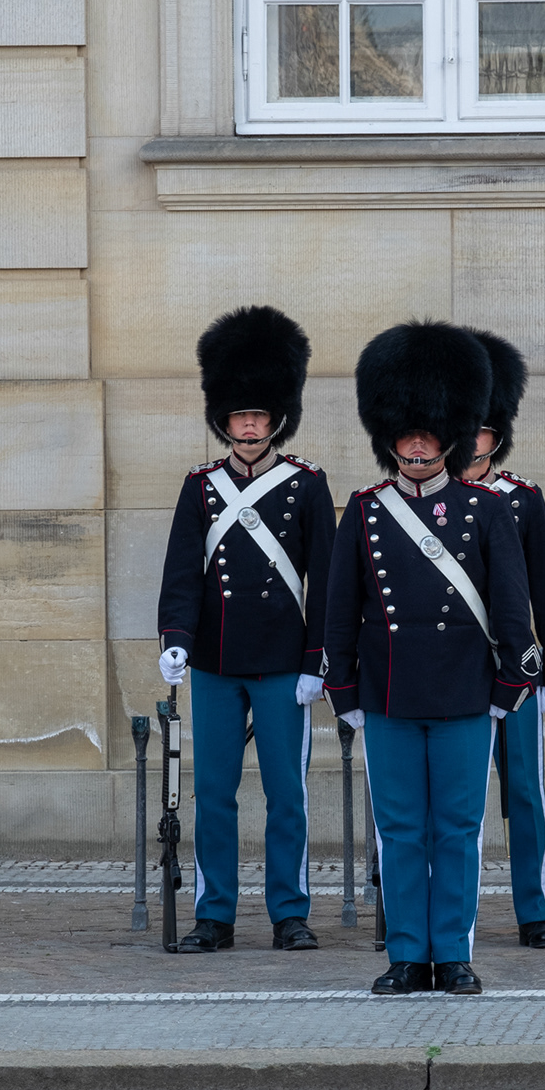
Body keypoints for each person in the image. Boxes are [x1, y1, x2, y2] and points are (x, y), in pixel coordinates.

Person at [325, 321, 541, 995]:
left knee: (455, 829)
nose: (416, 445)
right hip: (389, 696)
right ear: (389, 436)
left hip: (462, 696)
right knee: (400, 831)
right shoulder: (364, 511)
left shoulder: (483, 510)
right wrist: (345, 691)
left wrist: (510, 685)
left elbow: (511, 607)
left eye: (427, 433)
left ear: (449, 433)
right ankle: (406, 954)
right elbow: (340, 610)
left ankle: (452, 951)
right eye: (406, 434)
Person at [155, 306, 335, 954]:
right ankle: (216, 913)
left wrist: (319, 659)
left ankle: (290, 911)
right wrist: (175, 637)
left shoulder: (307, 485)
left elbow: (327, 581)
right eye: (239, 416)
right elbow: (182, 573)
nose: (250, 424)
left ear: (276, 417)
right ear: (224, 420)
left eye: (259, 415)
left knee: (288, 796)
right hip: (217, 661)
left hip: (285, 661)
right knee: (214, 796)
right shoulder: (201, 488)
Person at [458, 329, 545, 949]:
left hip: (516, 670)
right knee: (454, 804)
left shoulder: (523, 499)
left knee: (524, 793)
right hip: (453, 671)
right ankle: (448, 910)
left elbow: (544, 591)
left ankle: (535, 909)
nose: (471, 440)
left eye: (481, 429)